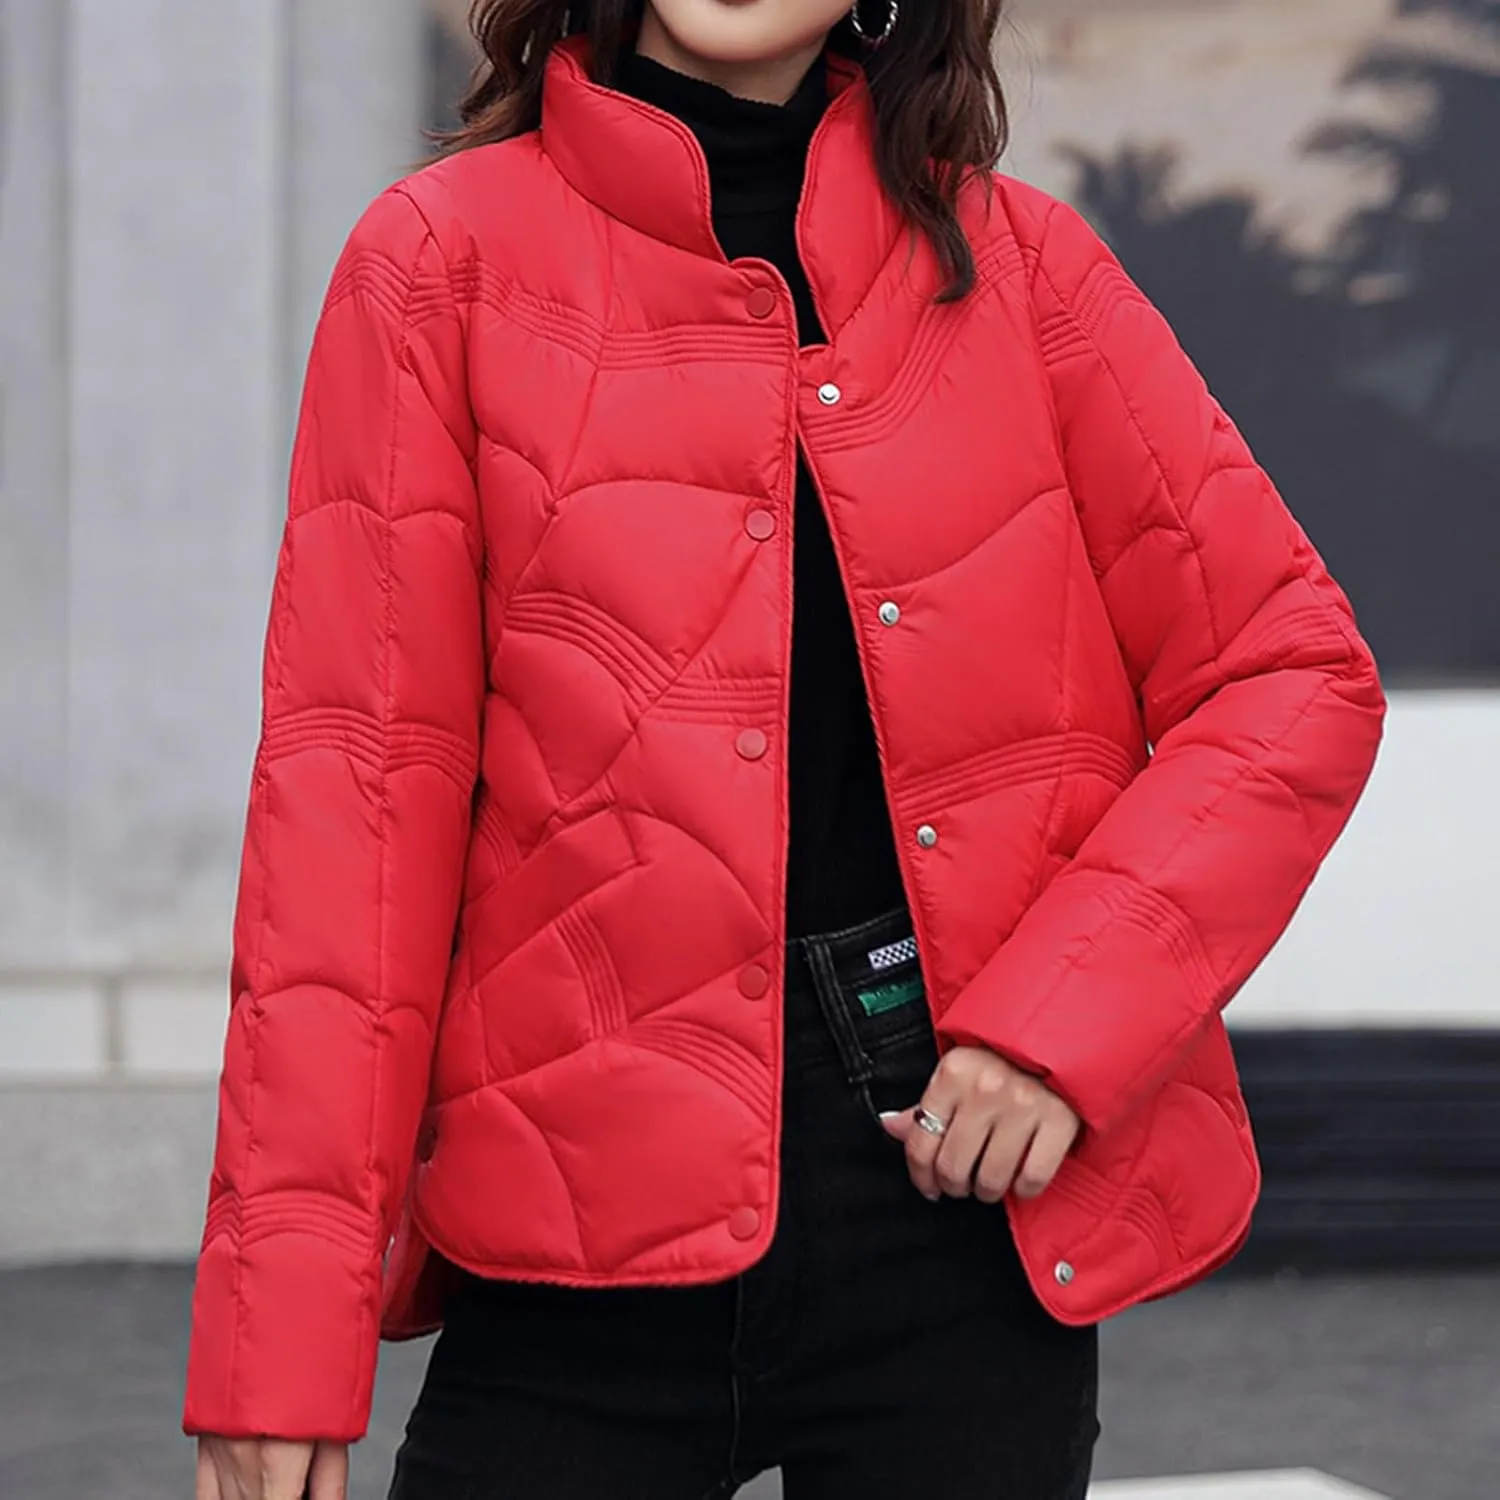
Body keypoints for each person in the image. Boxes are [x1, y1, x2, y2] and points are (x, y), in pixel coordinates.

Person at [183, 0, 1386, 1493]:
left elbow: (1292, 676)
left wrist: (1060, 1030)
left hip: (947, 1216)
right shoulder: (439, 263)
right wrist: (281, 1334)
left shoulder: (1022, 267)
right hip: (570, 1228)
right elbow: (348, 824)